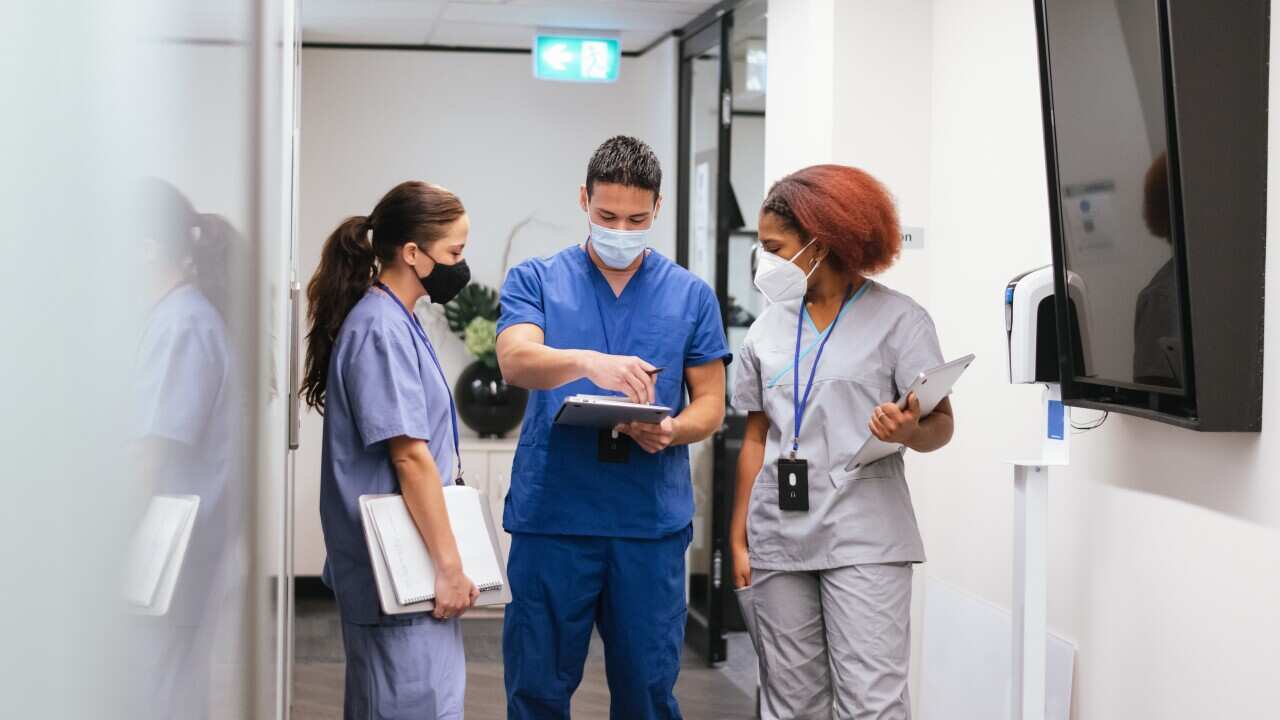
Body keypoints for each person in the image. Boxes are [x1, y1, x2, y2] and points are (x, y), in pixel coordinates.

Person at [496, 135, 732, 719]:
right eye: (606, 215)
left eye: (636, 218)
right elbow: (515, 359)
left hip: (646, 526)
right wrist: (587, 362)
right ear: (583, 199)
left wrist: (674, 431)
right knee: (537, 692)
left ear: (658, 209)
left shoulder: (690, 296)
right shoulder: (537, 280)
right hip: (555, 518)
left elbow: (711, 404)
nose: (620, 229)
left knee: (648, 695)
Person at [729, 165, 956, 719]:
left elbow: (941, 424)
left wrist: (908, 431)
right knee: (790, 704)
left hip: (864, 534)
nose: (766, 262)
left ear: (820, 239)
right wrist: (738, 537)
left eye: (774, 246)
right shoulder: (767, 330)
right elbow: (756, 435)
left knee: (870, 705)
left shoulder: (899, 320)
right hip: (778, 534)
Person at [302, 181, 479, 720]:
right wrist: (449, 567)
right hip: (397, 570)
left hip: (406, 566)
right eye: (453, 253)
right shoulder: (379, 328)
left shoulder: (396, 319)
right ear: (412, 254)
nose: (459, 266)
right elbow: (409, 456)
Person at [130, 179, 241, 720]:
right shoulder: (178, 317)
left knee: (164, 690)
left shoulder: (183, 324)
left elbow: (151, 457)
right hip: (180, 553)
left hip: (171, 552)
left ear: (148, 248)